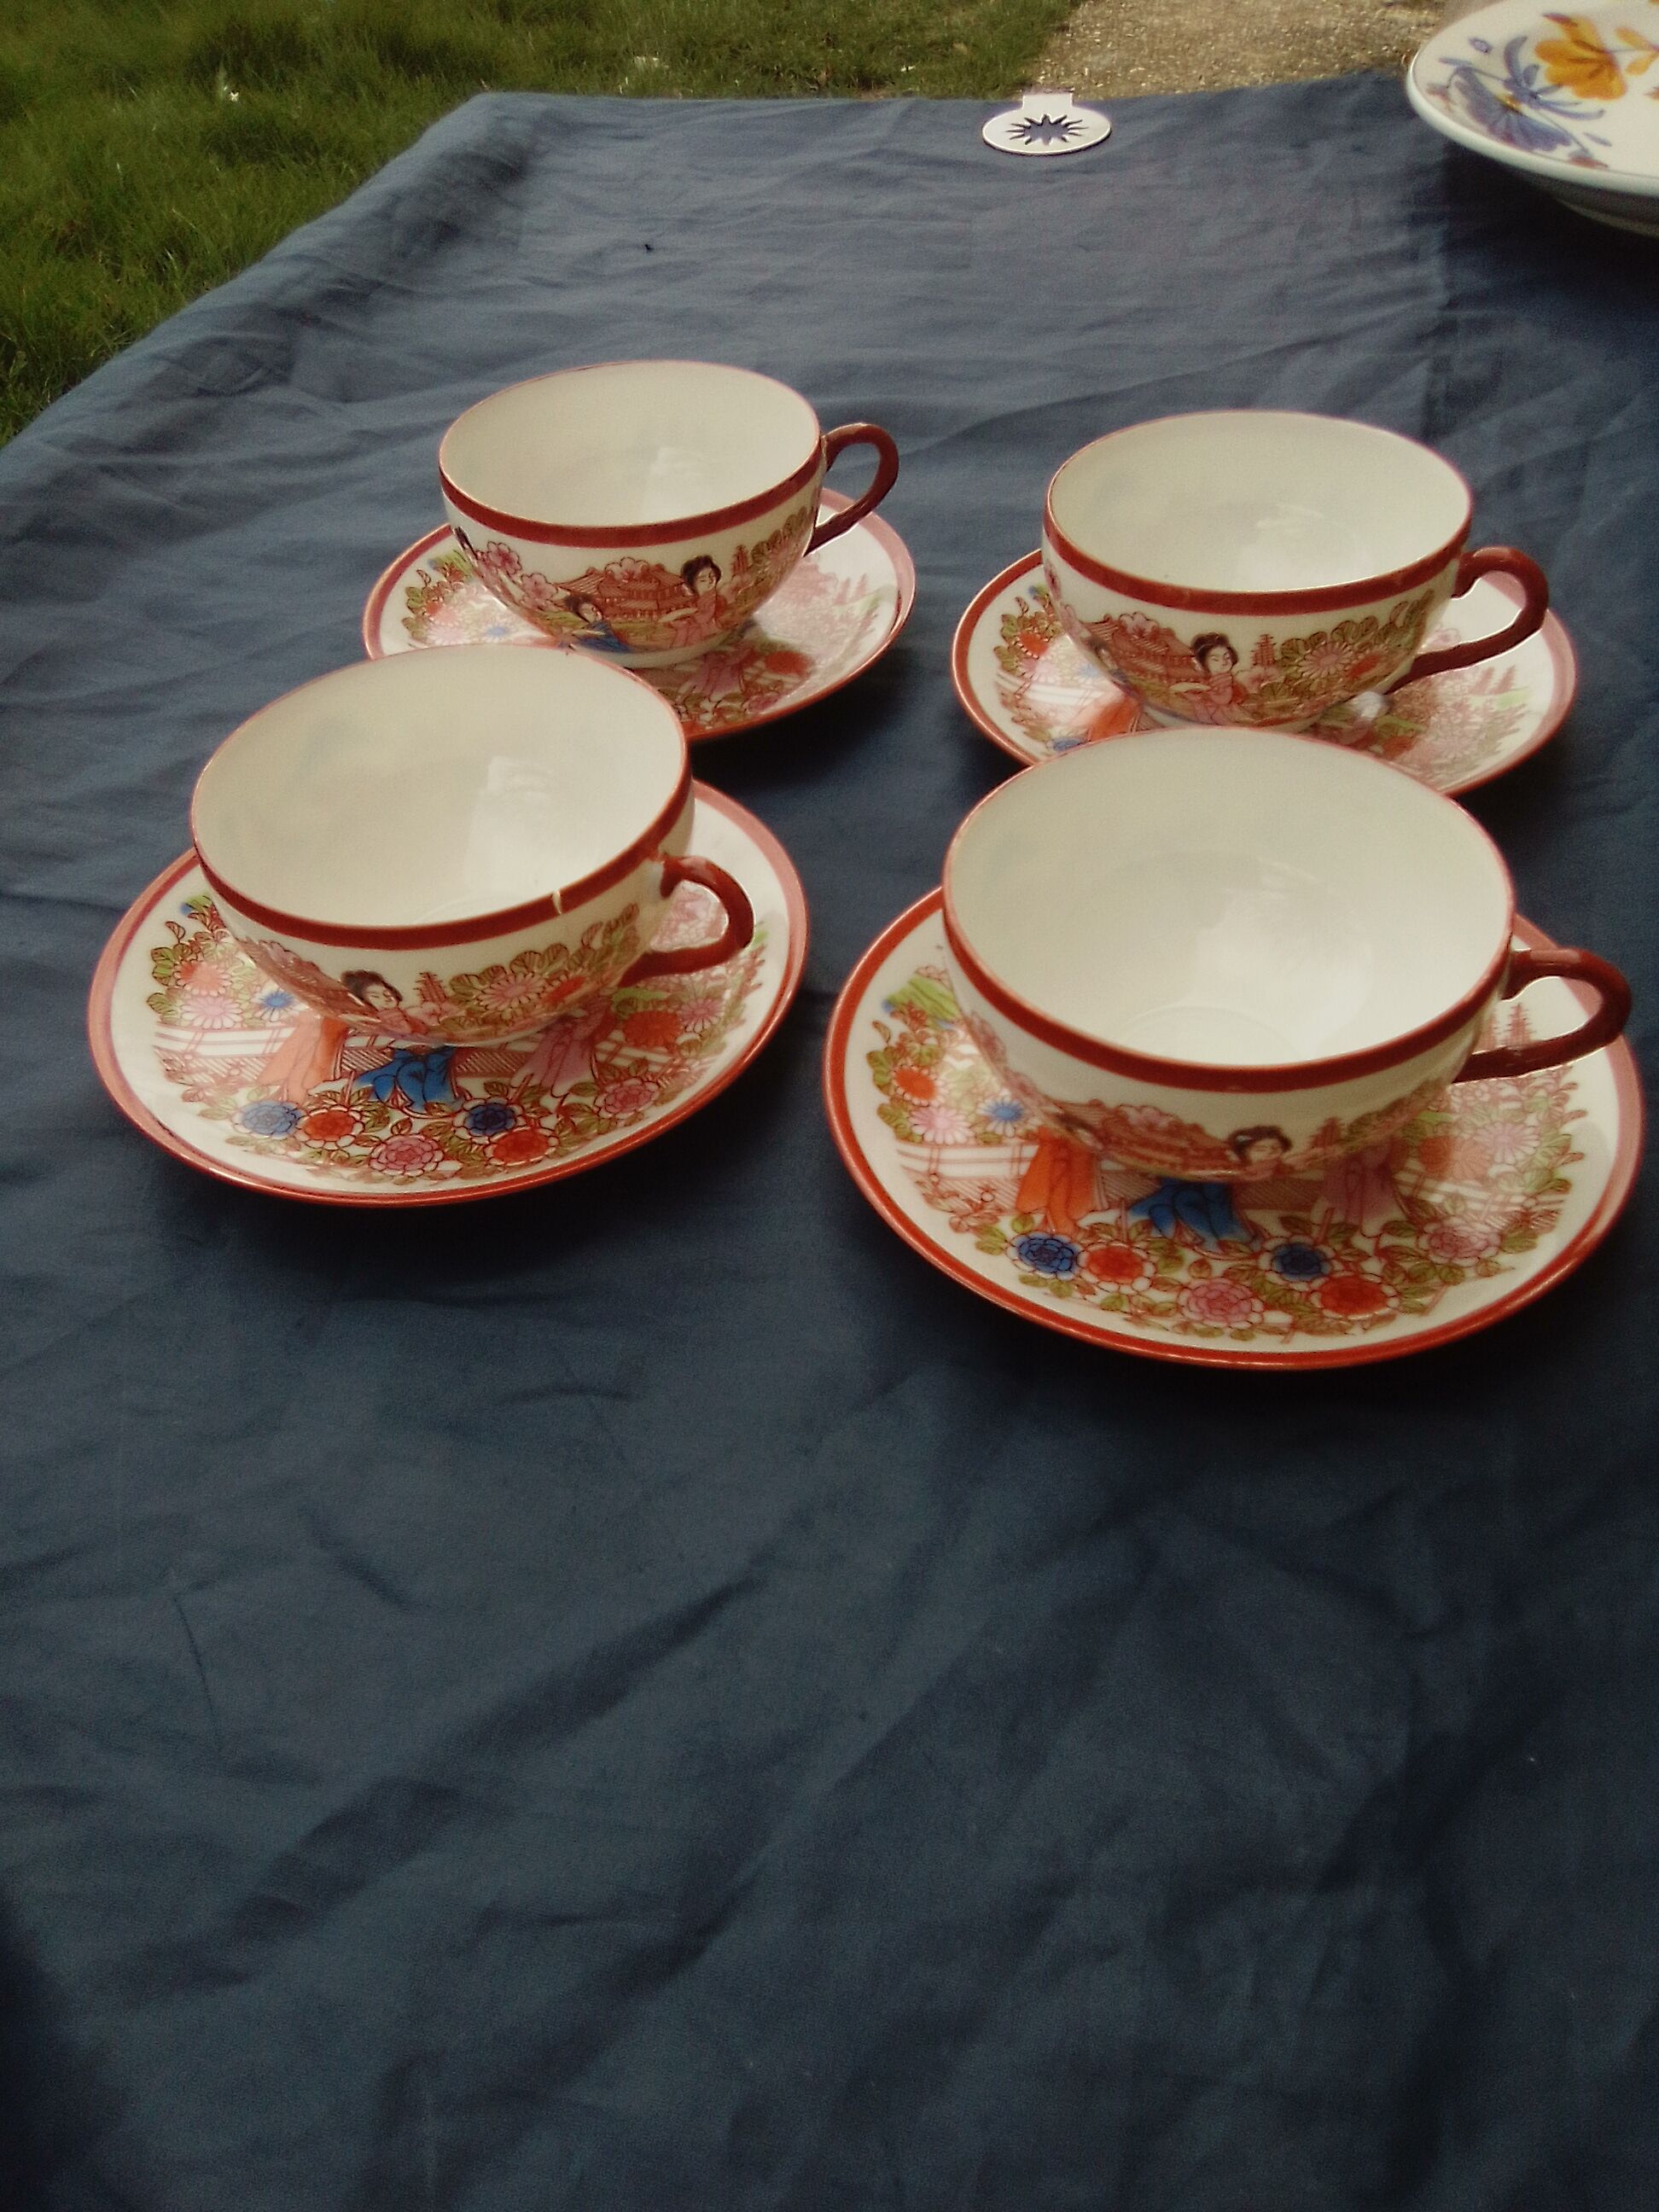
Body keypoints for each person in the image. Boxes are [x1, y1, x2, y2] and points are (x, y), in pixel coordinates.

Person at [341, 972, 458, 1110]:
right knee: (384, 1075)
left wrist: (378, 1025)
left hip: (423, 1048)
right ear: (365, 1001)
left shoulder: (394, 1014)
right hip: (409, 1051)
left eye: (387, 993)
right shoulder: (386, 1014)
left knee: (408, 1072)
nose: (385, 998)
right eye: (375, 996)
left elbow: (405, 1029)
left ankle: (429, 1104)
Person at [1173, 632, 1249, 723]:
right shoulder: (1209, 679)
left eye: (1227, 657)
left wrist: (1209, 694)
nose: (1223, 662)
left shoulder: (1225, 680)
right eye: (1215, 660)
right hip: (1212, 705)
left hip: (1223, 709)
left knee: (1212, 712)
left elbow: (1224, 699)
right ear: (1203, 664)